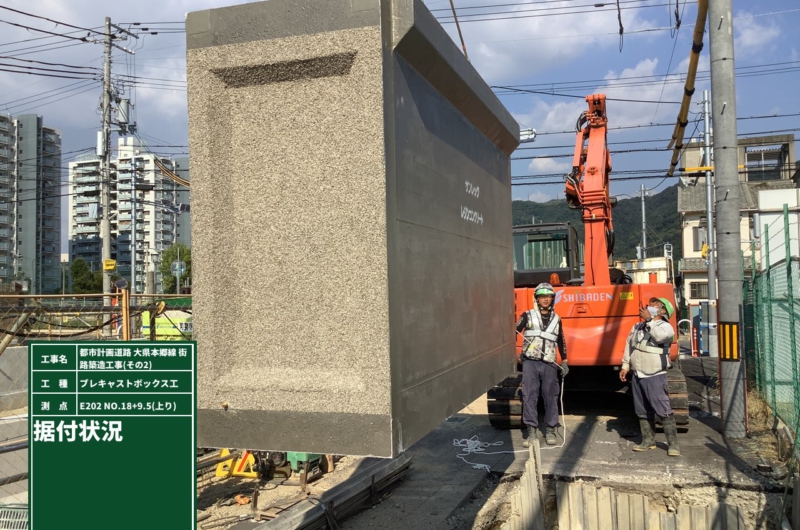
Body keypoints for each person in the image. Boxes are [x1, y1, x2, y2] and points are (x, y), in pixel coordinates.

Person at [619, 297, 680, 457]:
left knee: (663, 409)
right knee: (642, 410)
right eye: (650, 303)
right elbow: (629, 345)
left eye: (655, 304)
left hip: (655, 375)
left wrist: (648, 319)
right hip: (638, 374)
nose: (649, 305)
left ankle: (673, 444)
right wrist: (626, 365)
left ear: (663, 311)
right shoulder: (637, 327)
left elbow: (660, 337)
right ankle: (648, 440)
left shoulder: (666, 327)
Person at [516, 283, 568, 447]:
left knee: (551, 396)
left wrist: (565, 361)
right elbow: (514, 330)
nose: (546, 299)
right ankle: (531, 432)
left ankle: (551, 430)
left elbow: (561, 341)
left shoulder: (557, 319)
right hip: (530, 362)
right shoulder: (527, 315)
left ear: (552, 299)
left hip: (550, 363)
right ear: (537, 299)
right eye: (542, 297)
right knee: (530, 395)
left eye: (549, 297)